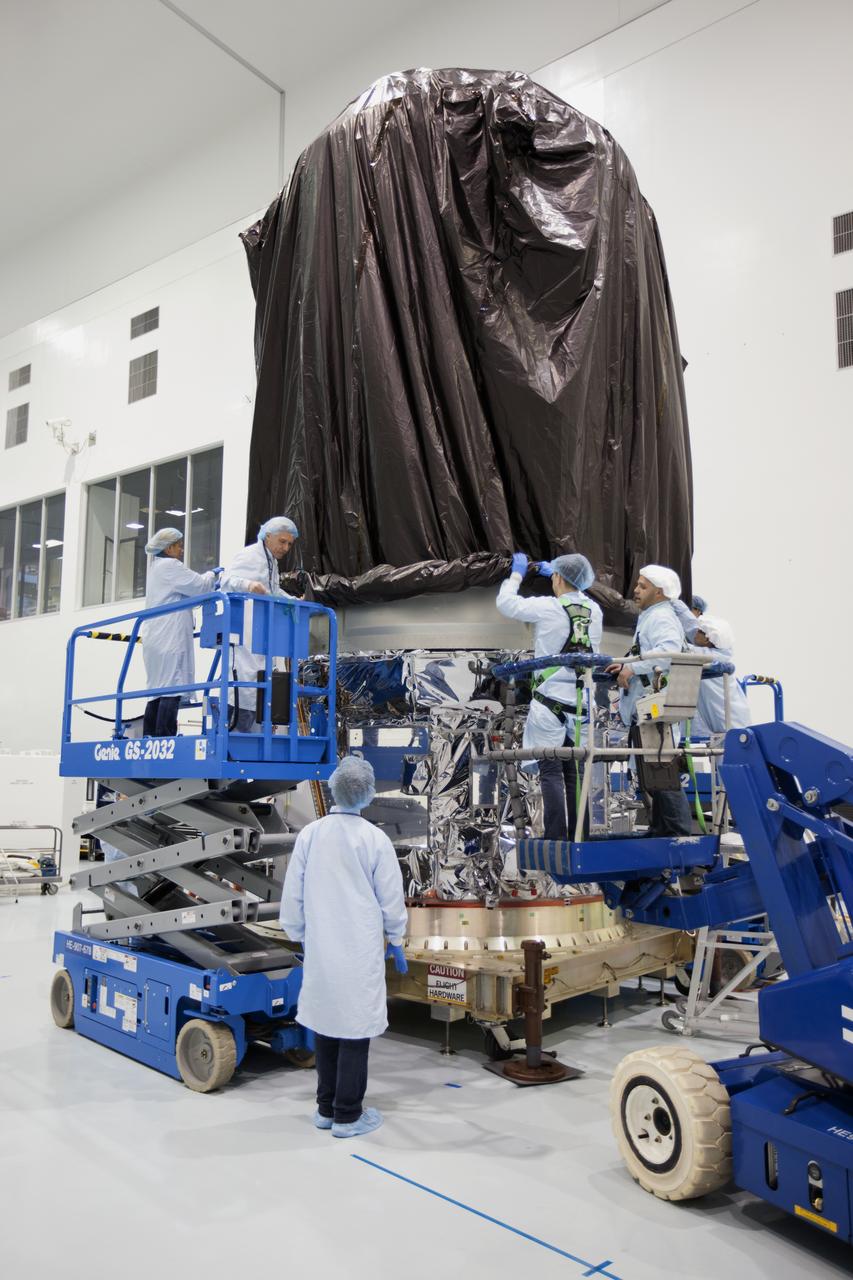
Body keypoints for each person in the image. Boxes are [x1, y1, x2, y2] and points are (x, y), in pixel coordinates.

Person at [280, 756, 408, 1139]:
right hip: (359, 947)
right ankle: (348, 1114)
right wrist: (398, 940)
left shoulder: (311, 834)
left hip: (320, 945)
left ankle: (325, 1108)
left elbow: (294, 892)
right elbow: (391, 898)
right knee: (353, 1028)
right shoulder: (374, 839)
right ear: (366, 793)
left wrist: (296, 932)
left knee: (326, 1022)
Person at [496, 552, 602, 841]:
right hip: (581, 703)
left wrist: (517, 574)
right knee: (575, 772)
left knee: (550, 770)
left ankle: (556, 837)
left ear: (557, 578)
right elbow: (577, 599)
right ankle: (581, 836)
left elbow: (506, 604)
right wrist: (556, 575)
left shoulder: (548, 608)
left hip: (549, 703)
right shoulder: (596, 610)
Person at [606, 564, 692, 836]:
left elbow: (668, 653)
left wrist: (633, 668)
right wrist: (626, 665)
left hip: (654, 710)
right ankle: (661, 829)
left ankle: (677, 832)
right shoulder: (650, 617)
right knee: (652, 774)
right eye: (638, 584)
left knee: (660, 773)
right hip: (646, 712)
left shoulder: (661, 618)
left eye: (643, 586)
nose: (636, 590)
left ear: (660, 592)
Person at [219, 516, 299, 732]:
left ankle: (252, 733)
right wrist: (248, 584)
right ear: (268, 536)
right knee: (244, 682)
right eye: (282, 541)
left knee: (260, 682)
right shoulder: (250, 555)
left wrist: (292, 601)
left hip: (261, 634)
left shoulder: (271, 561)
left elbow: (271, 590)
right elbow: (224, 581)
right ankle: (236, 731)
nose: (286, 547)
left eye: (290, 544)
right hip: (245, 631)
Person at [141, 528, 216, 737]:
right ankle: (165, 738)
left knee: (158, 690)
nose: (181, 550)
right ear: (168, 547)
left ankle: (151, 737)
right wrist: (213, 574)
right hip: (169, 637)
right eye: (179, 545)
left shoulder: (156, 568)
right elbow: (200, 586)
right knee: (171, 688)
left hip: (157, 637)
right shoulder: (171, 566)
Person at [689, 613, 751, 735]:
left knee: (729, 750)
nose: (694, 633)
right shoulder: (721, 654)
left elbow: (679, 649)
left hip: (731, 725)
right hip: (734, 722)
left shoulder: (705, 655)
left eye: (699, 631)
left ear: (708, 639)